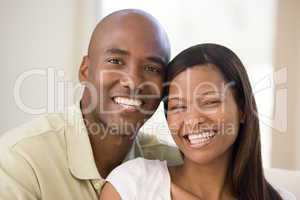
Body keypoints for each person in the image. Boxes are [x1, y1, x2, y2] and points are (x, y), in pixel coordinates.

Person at [0, 9, 182, 199]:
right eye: (115, 61)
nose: (134, 82)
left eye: (151, 68)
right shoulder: (21, 159)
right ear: (85, 71)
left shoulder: (171, 163)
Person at [99, 43, 296, 200]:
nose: (193, 120)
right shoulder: (132, 184)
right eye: (177, 107)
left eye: (210, 102)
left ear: (243, 110)